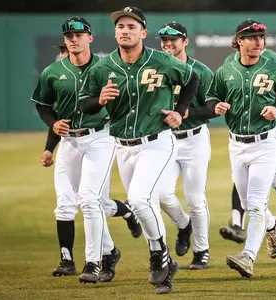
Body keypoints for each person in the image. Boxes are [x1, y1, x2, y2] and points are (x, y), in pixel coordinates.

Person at [79, 6, 199, 294]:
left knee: (139, 198)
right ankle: (163, 260)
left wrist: (181, 111)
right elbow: (84, 103)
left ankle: (159, 254)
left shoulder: (161, 61)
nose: (124, 30)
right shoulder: (103, 67)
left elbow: (192, 79)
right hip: (123, 146)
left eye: (131, 26)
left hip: (157, 142)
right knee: (141, 204)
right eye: (120, 26)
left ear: (143, 33)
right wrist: (98, 101)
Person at [31, 17, 133, 284]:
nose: (74, 39)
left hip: (100, 138)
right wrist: (53, 124)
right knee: (85, 200)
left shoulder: (107, 68)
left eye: (79, 34)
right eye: (69, 35)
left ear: (90, 37)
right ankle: (110, 252)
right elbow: (43, 105)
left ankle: (93, 262)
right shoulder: (53, 71)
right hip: (69, 143)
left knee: (89, 199)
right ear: (65, 40)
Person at [205, 19, 276, 278]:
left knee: (255, 203)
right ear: (239, 41)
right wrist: (215, 106)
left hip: (265, 142)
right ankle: (273, 224)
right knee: (246, 203)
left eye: (261, 37)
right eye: (252, 37)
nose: (258, 42)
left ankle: (248, 256)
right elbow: (212, 95)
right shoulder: (227, 68)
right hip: (236, 144)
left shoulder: (274, 66)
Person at [157, 21, 214, 269]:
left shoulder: (200, 70)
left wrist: (186, 113)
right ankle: (184, 225)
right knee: (160, 194)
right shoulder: (156, 68)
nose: (168, 44)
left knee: (195, 199)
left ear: (185, 42)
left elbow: (213, 108)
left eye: (174, 40)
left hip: (194, 139)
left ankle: (202, 250)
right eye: (164, 40)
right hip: (165, 140)